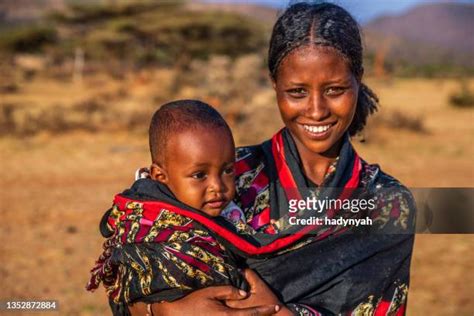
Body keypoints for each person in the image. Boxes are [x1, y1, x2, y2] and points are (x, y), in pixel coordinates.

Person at [136, 2, 416, 315]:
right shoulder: (228, 174)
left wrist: (278, 312)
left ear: (359, 79)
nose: (316, 109)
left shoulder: (387, 204)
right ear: (274, 84)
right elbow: (133, 258)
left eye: (335, 89)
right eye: (297, 92)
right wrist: (161, 310)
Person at [86, 100, 280, 316]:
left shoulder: (233, 205)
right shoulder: (149, 224)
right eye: (199, 175)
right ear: (160, 176)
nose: (218, 186)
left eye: (227, 170)